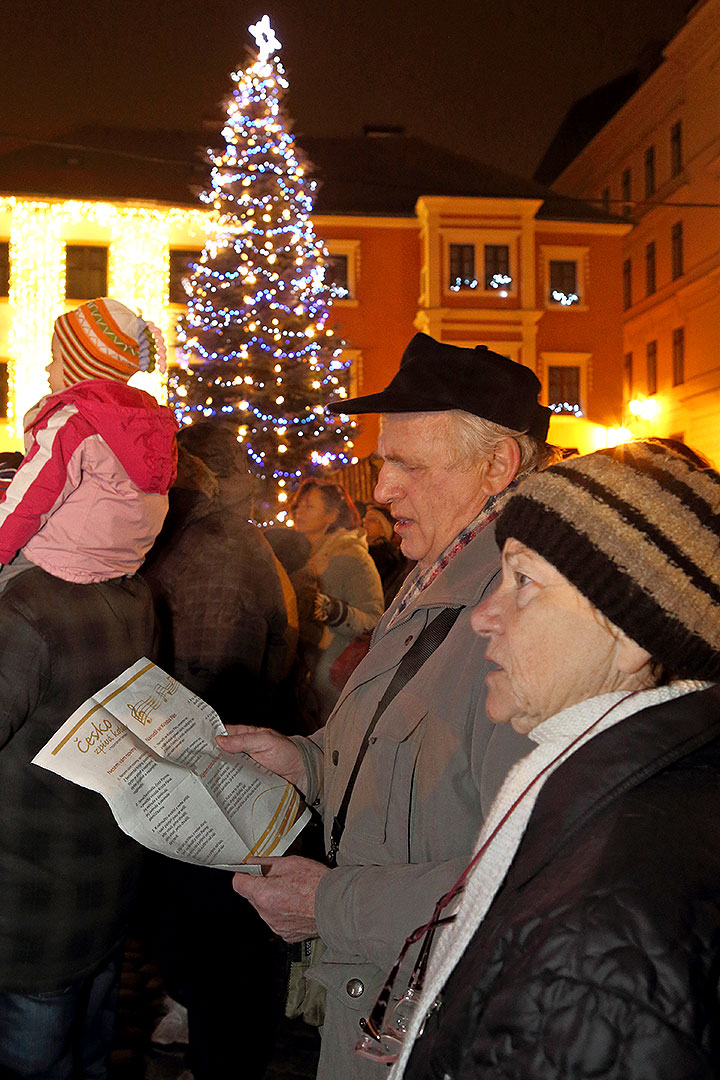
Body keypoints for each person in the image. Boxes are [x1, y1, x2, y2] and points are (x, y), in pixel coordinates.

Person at [218, 332, 554, 1079]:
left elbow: (535, 884)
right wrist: (303, 761)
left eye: (405, 463)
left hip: (434, 1028)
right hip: (380, 1000)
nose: (380, 490)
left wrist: (331, 905)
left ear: (497, 464)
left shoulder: (532, 619)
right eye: (380, 462)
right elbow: (401, 756)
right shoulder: (434, 569)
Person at [384, 439, 720, 1079]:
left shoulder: (602, 920)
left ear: (629, 636)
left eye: (525, 580)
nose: (485, 615)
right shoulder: (639, 795)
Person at [139, 421, 290, 1080]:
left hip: (213, 770)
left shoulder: (213, 548)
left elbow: (214, 671)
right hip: (217, 766)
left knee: (218, 930)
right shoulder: (211, 541)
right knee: (211, 928)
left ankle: (217, 1054)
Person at [0, 535, 158, 1077]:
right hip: (100, 889)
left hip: (29, 916)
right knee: (90, 1050)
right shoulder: (132, 588)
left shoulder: (28, 607)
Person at [0, 297, 177, 589]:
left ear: (79, 367)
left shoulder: (73, 422)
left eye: (55, 358)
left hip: (58, 561)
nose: (47, 368)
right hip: (120, 567)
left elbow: (31, 497)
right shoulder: (147, 425)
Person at [291, 478, 384, 723]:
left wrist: (333, 610)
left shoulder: (351, 556)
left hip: (334, 682)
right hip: (307, 677)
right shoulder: (302, 557)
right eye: (298, 505)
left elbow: (375, 620)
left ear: (331, 515)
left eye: (309, 506)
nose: (298, 511)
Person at [363, 503, 413, 608]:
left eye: (372, 520)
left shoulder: (385, 555)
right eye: (365, 519)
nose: (365, 523)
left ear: (383, 527)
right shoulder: (362, 549)